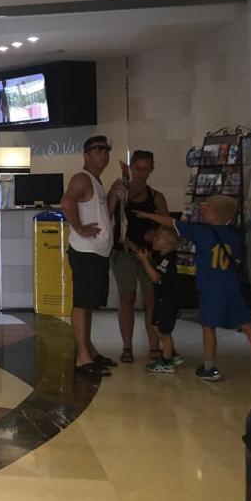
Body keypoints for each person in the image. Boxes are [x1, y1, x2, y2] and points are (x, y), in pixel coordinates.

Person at [136, 195, 251, 381]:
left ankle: (209, 367)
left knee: (208, 326)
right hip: (232, 286)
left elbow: (171, 222)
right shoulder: (234, 236)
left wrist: (148, 215)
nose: (202, 209)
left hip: (211, 287)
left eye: (207, 207)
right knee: (246, 323)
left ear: (216, 215)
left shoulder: (201, 232)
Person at [60, 135, 117, 379]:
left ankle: (89, 350)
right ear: (86, 155)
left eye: (106, 150)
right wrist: (80, 228)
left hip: (97, 252)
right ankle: (83, 357)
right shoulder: (81, 178)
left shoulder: (96, 181)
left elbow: (103, 215)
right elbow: (66, 202)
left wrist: (113, 195)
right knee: (82, 303)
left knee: (89, 302)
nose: (104, 153)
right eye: (98, 149)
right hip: (85, 251)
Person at [108, 150, 169, 363]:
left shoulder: (156, 196)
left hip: (148, 252)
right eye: (137, 168)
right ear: (131, 167)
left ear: (151, 170)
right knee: (127, 297)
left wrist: (155, 235)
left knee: (151, 298)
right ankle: (127, 346)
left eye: (145, 169)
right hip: (123, 250)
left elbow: (166, 225)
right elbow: (108, 217)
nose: (141, 173)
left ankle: (154, 346)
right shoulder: (120, 192)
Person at [134, 226, 184, 373]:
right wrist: (149, 259)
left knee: (164, 331)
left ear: (168, 244)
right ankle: (172, 354)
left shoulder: (169, 259)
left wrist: (144, 261)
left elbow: (155, 277)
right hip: (163, 299)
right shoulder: (164, 259)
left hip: (167, 301)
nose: (154, 239)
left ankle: (167, 362)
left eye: (158, 237)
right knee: (156, 327)